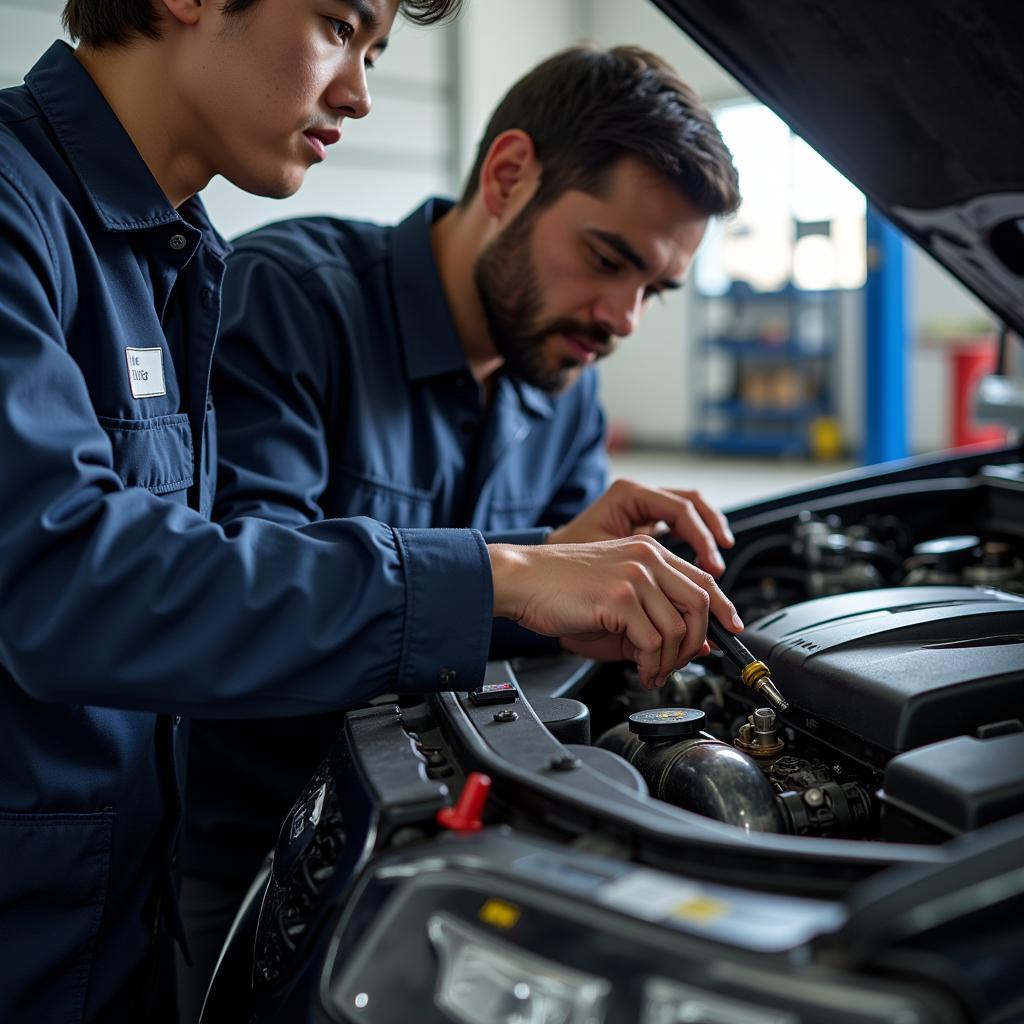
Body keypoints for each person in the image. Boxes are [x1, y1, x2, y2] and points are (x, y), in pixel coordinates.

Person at [0, 1, 741, 1019]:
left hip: (133, 898)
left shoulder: (173, 257)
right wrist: (506, 578)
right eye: (339, 25)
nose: (357, 92)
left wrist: (570, 588)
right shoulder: (74, 228)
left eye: (376, 50)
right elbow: (80, 581)